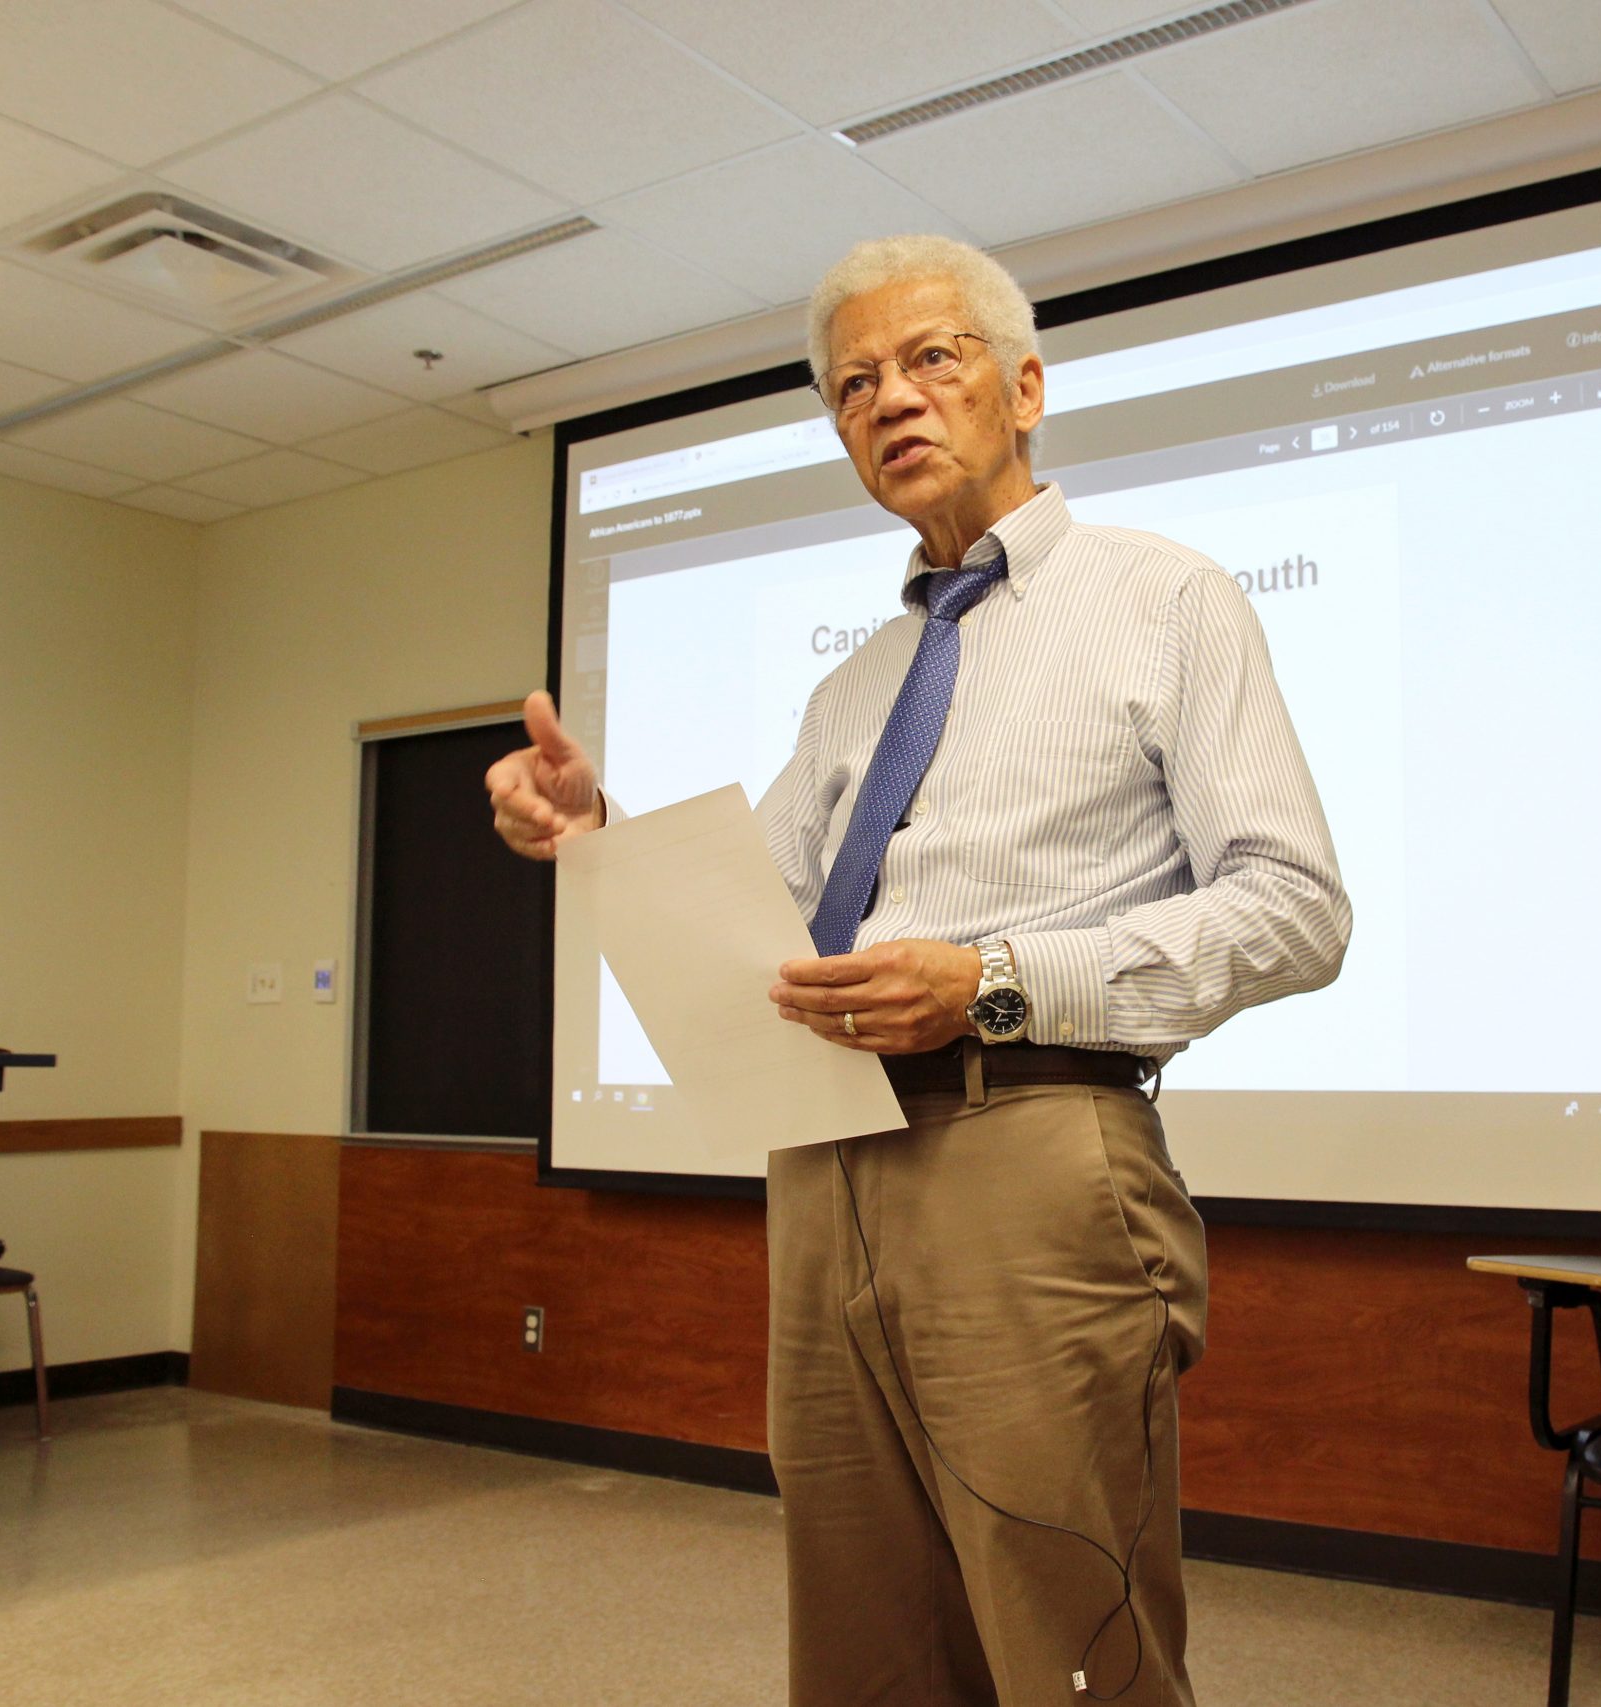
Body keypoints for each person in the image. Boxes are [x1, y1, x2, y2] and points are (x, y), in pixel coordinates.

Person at [487, 234, 1349, 1707]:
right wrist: (601, 834)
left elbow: (1294, 910)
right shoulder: (856, 685)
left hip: (1034, 1148)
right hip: (827, 1169)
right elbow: (757, 919)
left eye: (930, 360)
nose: (888, 400)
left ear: (1023, 386)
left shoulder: (1169, 598)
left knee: (1068, 1637)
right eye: (851, 386)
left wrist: (994, 981)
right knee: (863, 1634)